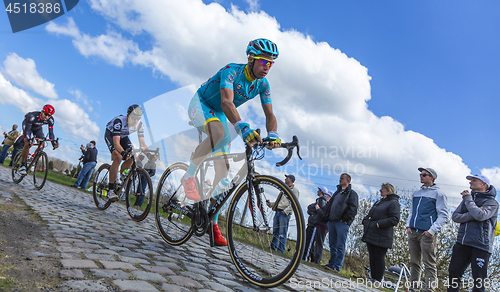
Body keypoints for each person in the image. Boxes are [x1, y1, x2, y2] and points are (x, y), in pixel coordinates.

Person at [181, 38, 281, 246]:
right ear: (251, 58)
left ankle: (213, 223)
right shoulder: (231, 71)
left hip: (218, 112)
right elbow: (227, 102)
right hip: (201, 103)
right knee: (219, 132)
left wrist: (272, 134)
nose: (267, 67)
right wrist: (243, 128)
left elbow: (270, 114)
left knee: (223, 174)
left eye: (271, 63)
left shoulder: (263, 85)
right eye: (264, 61)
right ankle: (188, 176)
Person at [447, 174, 498, 292]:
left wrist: (469, 201)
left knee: (478, 280)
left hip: (481, 246)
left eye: (474, 180)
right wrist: (473, 213)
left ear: (484, 184)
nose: (470, 183)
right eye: (470, 181)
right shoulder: (467, 199)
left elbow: (480, 216)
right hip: (462, 243)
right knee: (453, 274)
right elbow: (455, 216)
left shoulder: (492, 203)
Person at [406, 167, 449, 292]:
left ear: (432, 177)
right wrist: (408, 225)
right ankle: (413, 288)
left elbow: (444, 215)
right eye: (420, 174)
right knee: (414, 262)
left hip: (427, 234)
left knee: (429, 263)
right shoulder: (416, 193)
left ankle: (429, 289)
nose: (421, 176)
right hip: (413, 232)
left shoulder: (439, 194)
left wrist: (431, 231)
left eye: (424, 174)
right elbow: (412, 211)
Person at [104, 104, 148, 200]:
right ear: (128, 116)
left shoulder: (140, 125)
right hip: (111, 135)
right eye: (133, 118)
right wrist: (123, 152)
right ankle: (110, 189)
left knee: (134, 154)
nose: (136, 121)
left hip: (123, 137)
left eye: (138, 118)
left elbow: (142, 143)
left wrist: (149, 154)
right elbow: (116, 143)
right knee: (118, 156)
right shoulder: (119, 121)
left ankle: (120, 176)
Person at [362, 183, 401, 283]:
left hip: (382, 235)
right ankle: (373, 278)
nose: (380, 190)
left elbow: (394, 219)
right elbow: (370, 214)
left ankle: (378, 279)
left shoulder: (393, 203)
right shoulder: (379, 202)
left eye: (382, 189)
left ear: (388, 191)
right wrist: (365, 221)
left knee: (379, 257)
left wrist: (379, 224)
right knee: (372, 256)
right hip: (371, 232)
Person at [320, 173, 358, 273]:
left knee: (340, 245)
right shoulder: (337, 193)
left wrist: (344, 219)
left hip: (342, 223)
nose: (340, 180)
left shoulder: (352, 194)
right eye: (340, 178)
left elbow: (353, 209)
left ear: (348, 181)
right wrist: (327, 216)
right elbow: (330, 206)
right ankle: (331, 264)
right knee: (332, 244)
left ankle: (337, 266)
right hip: (332, 221)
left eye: (342, 179)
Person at [19, 105, 58, 175]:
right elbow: (27, 131)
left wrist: (53, 143)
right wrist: (29, 140)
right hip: (28, 126)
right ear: (42, 111)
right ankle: (23, 165)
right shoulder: (32, 116)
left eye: (49, 115)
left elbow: (51, 133)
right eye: (46, 114)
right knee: (27, 143)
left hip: (37, 128)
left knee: (42, 145)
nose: (47, 117)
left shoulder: (50, 120)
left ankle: (32, 159)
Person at [266, 174, 300, 253]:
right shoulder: (284, 189)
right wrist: (270, 204)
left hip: (284, 213)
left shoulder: (295, 190)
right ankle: (273, 247)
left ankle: (281, 249)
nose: (285, 179)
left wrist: (286, 211)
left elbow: (294, 203)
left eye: (287, 178)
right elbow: (279, 202)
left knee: (282, 232)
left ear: (290, 180)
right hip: (278, 211)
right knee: (276, 231)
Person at [303, 186, 329, 262]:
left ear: (321, 191)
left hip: (314, 224)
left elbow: (317, 209)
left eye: (319, 190)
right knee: (308, 241)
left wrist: (315, 210)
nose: (317, 191)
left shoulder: (321, 201)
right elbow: (309, 208)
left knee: (310, 242)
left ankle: (306, 257)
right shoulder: (319, 200)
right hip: (312, 222)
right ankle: (309, 257)